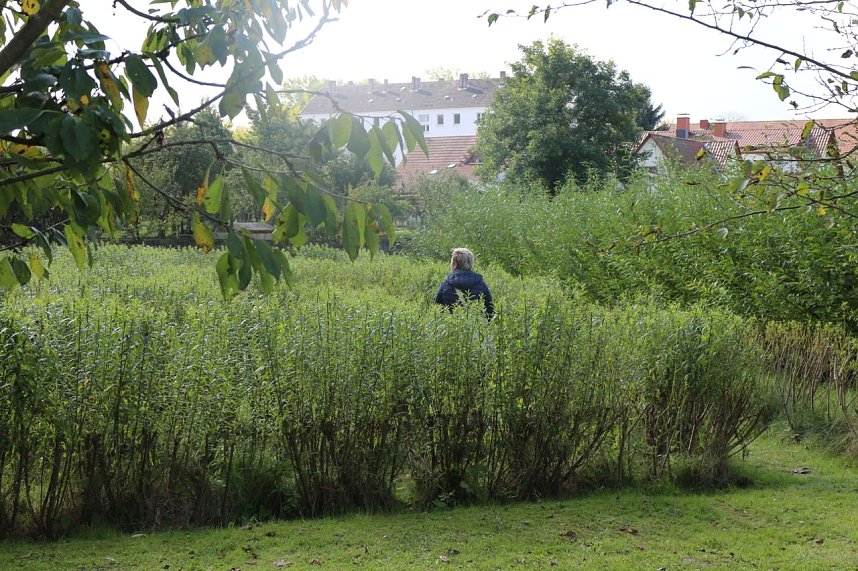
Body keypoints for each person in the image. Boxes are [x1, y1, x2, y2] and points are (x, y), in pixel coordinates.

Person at [434, 247, 494, 319]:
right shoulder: (480, 284)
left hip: (451, 326)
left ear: (454, 264)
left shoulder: (445, 284)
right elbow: (490, 309)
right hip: (475, 327)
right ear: (470, 263)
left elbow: (438, 310)